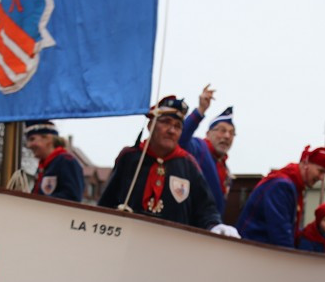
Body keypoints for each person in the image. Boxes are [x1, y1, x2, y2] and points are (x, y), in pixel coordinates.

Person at [97, 96, 238, 237]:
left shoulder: (189, 165)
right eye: (166, 122)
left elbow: (205, 208)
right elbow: (107, 203)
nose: (172, 130)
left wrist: (214, 225)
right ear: (150, 125)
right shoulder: (130, 158)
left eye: (177, 126)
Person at [236, 145, 325, 247]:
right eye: (320, 171)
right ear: (305, 164)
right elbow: (280, 231)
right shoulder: (282, 186)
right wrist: (291, 259)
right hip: (254, 249)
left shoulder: (293, 187)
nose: (321, 178)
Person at [179, 85, 234, 215]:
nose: (227, 136)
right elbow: (180, 138)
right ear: (208, 133)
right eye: (222, 130)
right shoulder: (199, 148)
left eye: (232, 133)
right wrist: (200, 110)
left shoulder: (225, 169)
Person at [24, 121, 85, 202]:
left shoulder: (66, 162)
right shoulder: (45, 166)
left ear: (48, 139)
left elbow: (72, 197)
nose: (29, 145)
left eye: (32, 139)